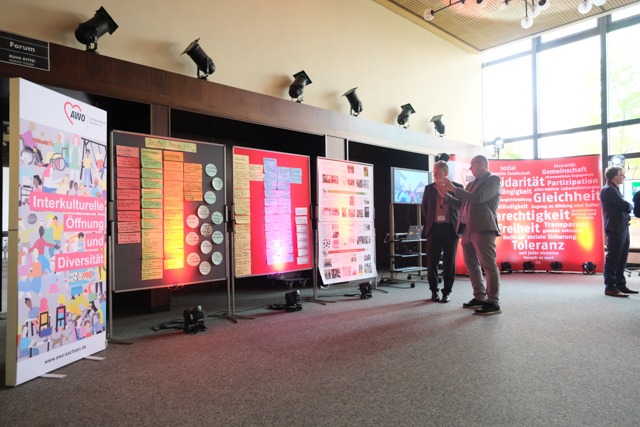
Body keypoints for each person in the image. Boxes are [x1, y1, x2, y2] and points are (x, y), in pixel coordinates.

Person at [438, 155, 502, 315]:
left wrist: (454, 189)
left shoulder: (493, 180)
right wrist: (446, 196)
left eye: (472, 165)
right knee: (472, 265)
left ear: (481, 164)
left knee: (488, 265)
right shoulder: (471, 183)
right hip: (466, 228)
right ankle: (479, 296)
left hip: (483, 228)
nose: (470, 169)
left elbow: (479, 198)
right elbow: (462, 204)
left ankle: (493, 301)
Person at [421, 160, 463, 303]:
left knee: (449, 263)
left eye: (437, 173)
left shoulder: (457, 188)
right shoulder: (429, 188)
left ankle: (447, 292)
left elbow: (460, 207)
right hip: (434, 229)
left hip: (451, 229)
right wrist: (431, 220)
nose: (434, 175)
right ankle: (434, 291)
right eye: (434, 173)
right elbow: (425, 208)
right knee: (431, 262)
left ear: (446, 173)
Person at [600, 166, 636, 297]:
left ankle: (620, 284)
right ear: (615, 176)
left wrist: (628, 206)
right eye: (622, 175)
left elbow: (623, 206)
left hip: (622, 227)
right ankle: (610, 287)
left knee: (622, 258)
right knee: (613, 258)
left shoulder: (614, 189)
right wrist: (630, 206)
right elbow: (624, 205)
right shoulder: (608, 190)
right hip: (615, 228)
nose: (624, 177)